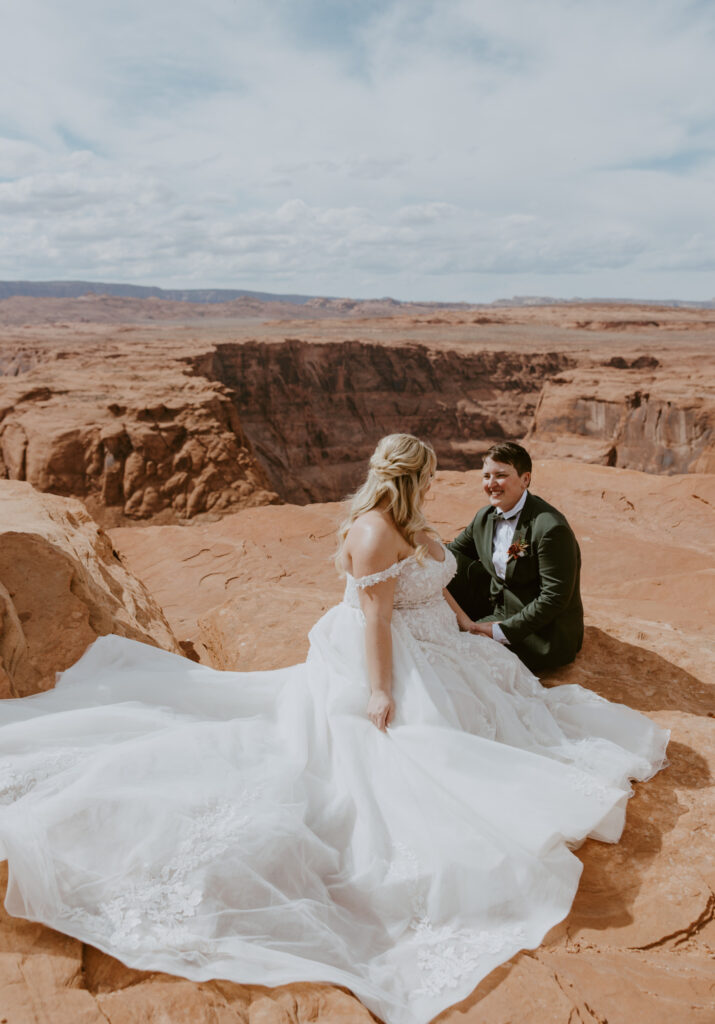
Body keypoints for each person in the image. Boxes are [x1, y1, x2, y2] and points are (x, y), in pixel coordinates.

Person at [0, 433, 668, 1024]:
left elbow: (432, 578)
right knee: (411, 762)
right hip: (389, 658)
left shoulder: (406, 517)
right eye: (430, 476)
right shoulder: (376, 530)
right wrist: (380, 691)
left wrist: (466, 625)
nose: (439, 487)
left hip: (439, 647)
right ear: (410, 478)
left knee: (521, 718)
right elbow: (377, 619)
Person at [447, 441, 584, 673]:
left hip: (539, 631)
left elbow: (554, 598)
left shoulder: (550, 528)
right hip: (497, 601)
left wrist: (500, 631)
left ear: (525, 479)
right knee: (437, 561)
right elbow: (453, 554)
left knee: (457, 650)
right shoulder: (485, 516)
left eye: (500, 475)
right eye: (486, 476)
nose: (491, 484)